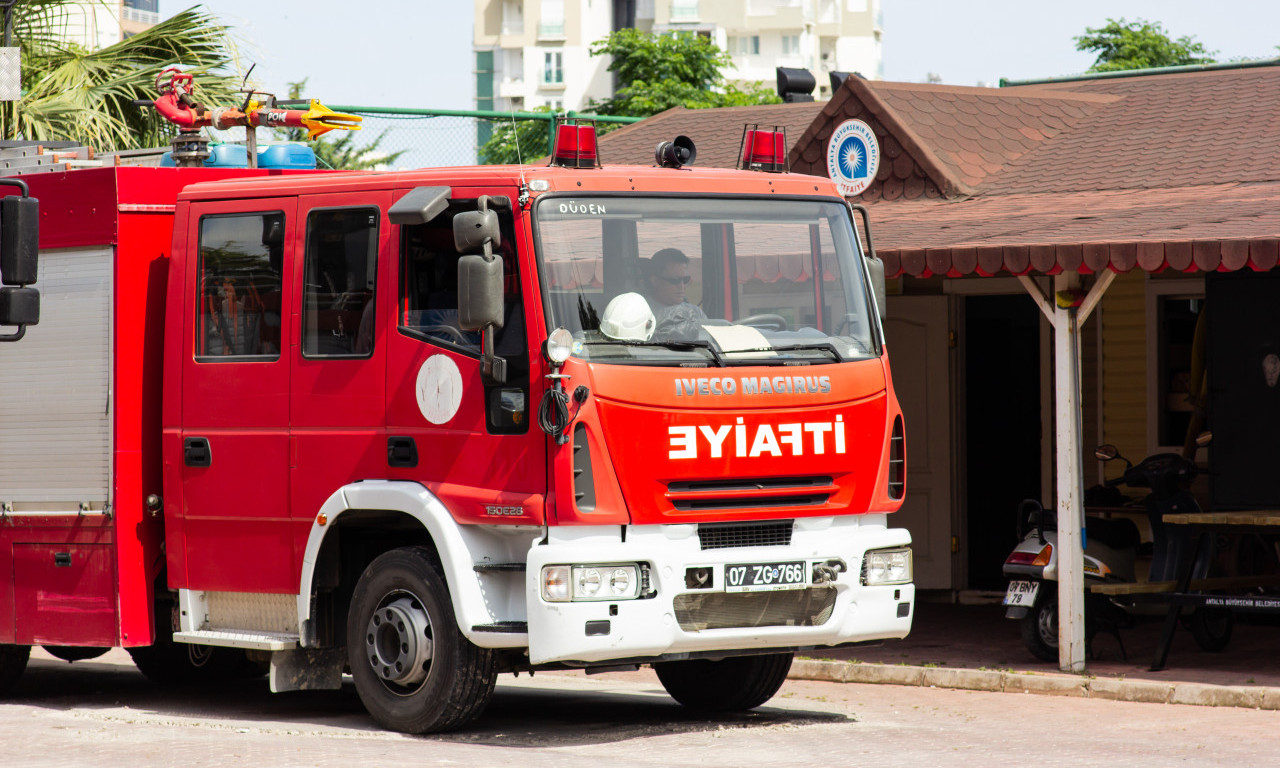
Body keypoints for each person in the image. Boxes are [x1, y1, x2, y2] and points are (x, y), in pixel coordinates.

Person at [643, 248, 707, 333]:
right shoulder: (641, 314)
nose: (681, 286)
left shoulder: (695, 313)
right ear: (655, 280)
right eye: (674, 280)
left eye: (685, 280)